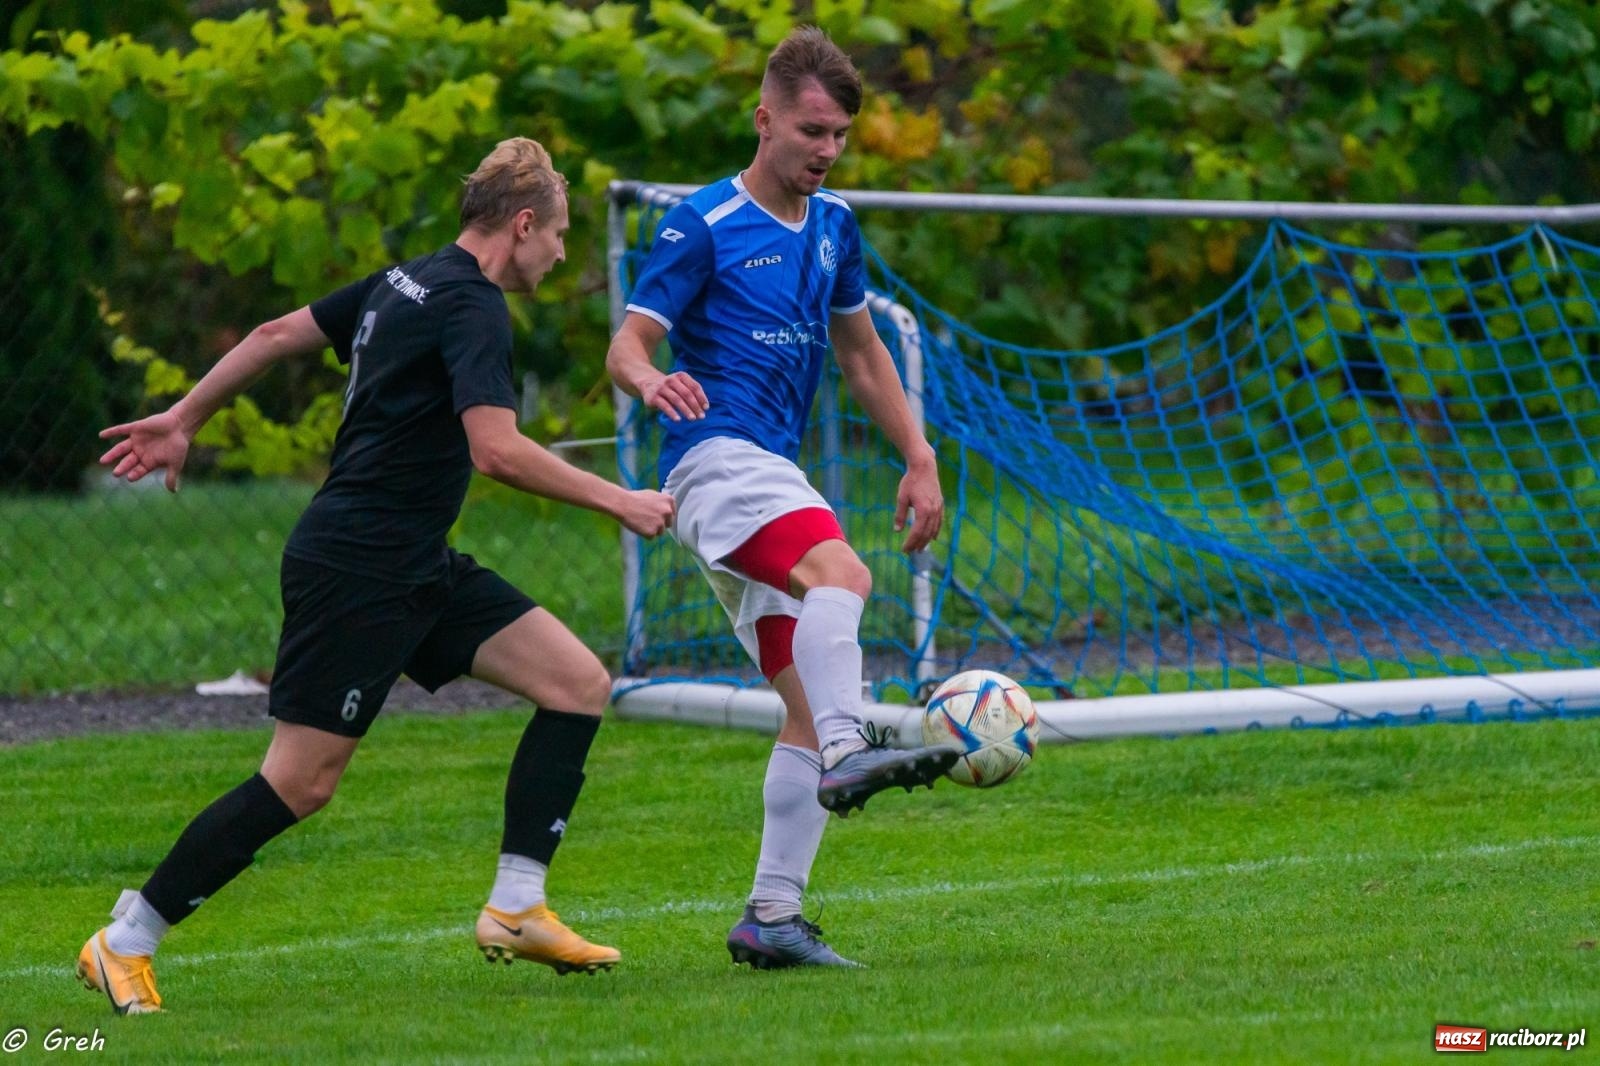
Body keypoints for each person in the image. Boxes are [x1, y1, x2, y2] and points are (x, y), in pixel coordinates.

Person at [78, 137, 676, 1015]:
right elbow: (497, 451)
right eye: (558, 235)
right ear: (521, 224)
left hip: (413, 560)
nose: (559, 253)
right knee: (300, 783)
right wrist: (620, 501)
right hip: (358, 567)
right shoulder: (473, 307)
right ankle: (124, 942)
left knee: (577, 681)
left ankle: (515, 904)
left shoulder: (409, 278)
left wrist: (186, 414)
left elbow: (274, 332)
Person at [605, 27, 956, 970]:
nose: (827, 150)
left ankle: (772, 917)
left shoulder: (835, 226)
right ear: (765, 120)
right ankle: (852, 748)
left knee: (799, 703)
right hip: (715, 461)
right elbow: (627, 344)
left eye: (840, 134)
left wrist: (918, 456)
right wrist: (646, 382)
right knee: (842, 570)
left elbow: (862, 351)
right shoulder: (700, 223)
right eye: (812, 131)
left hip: (770, 472)